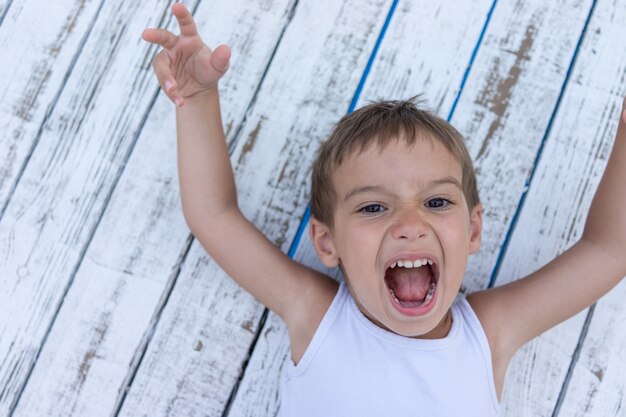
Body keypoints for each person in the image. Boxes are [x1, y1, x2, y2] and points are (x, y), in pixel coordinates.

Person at [142, 4, 626, 416]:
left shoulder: (487, 334)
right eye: (374, 206)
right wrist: (198, 100)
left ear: (473, 228)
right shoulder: (318, 317)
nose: (410, 225)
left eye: (437, 202)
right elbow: (213, 215)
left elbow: (609, 250)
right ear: (327, 242)